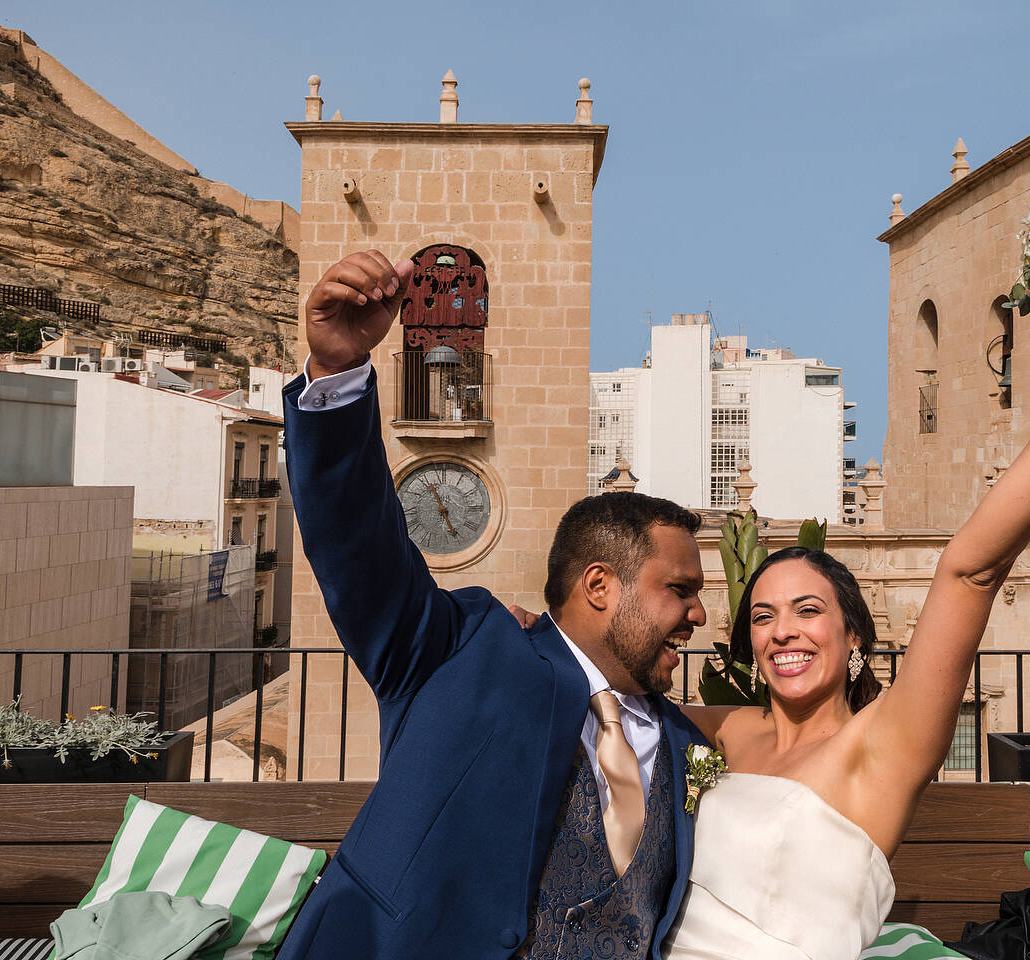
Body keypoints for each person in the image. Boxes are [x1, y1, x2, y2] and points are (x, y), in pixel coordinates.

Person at [659, 287, 1030, 960]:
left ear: (855, 637)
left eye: (807, 610)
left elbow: (970, 573)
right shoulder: (715, 729)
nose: (782, 630)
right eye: (763, 616)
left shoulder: (883, 745)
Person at [276, 250, 719, 960]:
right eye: (681, 591)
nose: (699, 616)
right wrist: (336, 376)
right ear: (599, 587)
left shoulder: (692, 753)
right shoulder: (461, 650)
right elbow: (357, 542)